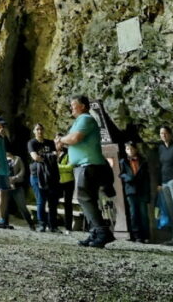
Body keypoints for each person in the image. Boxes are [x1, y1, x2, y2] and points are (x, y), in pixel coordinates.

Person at [58, 95, 114, 248]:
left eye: (73, 104)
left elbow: (75, 139)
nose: (71, 107)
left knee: (85, 198)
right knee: (88, 199)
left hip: (88, 165)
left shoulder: (85, 119)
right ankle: (95, 232)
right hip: (84, 165)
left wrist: (61, 140)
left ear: (82, 106)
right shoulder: (79, 121)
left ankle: (102, 231)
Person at [28, 122, 60, 232]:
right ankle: (42, 224)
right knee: (41, 200)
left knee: (52, 201)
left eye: (41, 129)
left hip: (51, 175)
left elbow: (57, 155)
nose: (39, 131)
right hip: (37, 175)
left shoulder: (50, 142)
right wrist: (49, 156)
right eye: (37, 129)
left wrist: (44, 157)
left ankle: (53, 226)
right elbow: (35, 157)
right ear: (34, 131)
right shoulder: (32, 143)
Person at [120, 141, 151, 243]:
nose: (130, 151)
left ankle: (146, 236)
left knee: (143, 214)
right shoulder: (123, 161)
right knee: (134, 213)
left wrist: (147, 192)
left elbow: (146, 177)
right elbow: (121, 174)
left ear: (136, 149)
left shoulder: (143, 161)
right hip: (131, 189)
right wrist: (127, 178)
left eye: (132, 149)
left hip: (142, 189)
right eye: (128, 149)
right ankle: (137, 235)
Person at [6, 152, 36, 230]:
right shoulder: (2, 158)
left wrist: (15, 178)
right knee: (5, 206)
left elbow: (22, 170)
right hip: (6, 186)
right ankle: (5, 223)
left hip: (17, 185)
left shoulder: (17, 159)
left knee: (22, 206)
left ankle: (31, 224)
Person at [57, 140, 76, 232]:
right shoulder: (53, 153)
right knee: (52, 203)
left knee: (68, 205)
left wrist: (57, 167)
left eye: (60, 141)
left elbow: (70, 167)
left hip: (68, 182)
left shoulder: (69, 153)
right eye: (56, 140)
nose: (58, 142)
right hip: (56, 182)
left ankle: (68, 227)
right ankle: (53, 225)